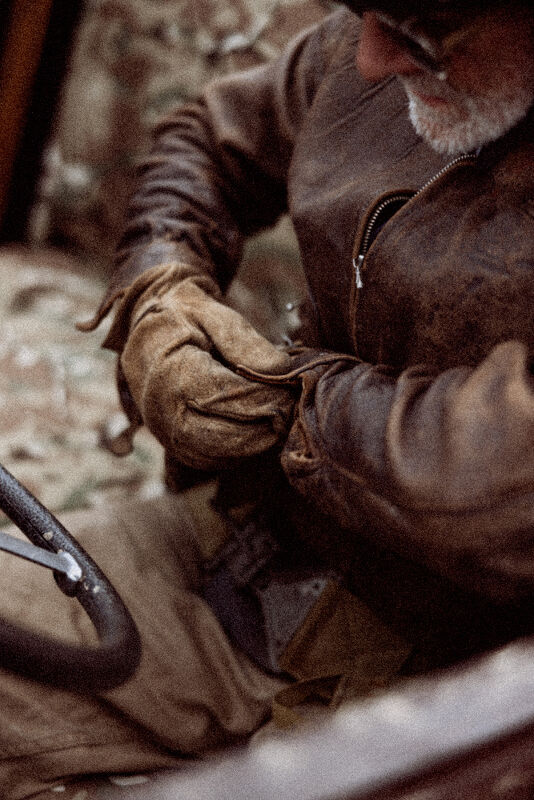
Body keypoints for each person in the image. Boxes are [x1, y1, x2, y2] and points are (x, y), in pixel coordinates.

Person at [2, 0, 534, 795]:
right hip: (243, 550)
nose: (368, 60)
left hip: (449, 690)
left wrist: (287, 406)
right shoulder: (369, 40)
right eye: (362, 13)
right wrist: (161, 286)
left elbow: (501, 475)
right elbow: (209, 141)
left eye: (424, 38)